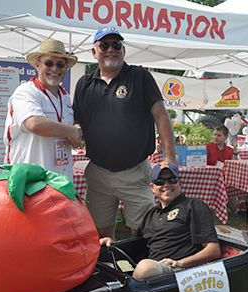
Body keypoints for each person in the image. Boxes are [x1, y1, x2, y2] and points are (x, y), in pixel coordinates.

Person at [73, 26, 176, 240]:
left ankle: (144, 273)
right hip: (98, 174)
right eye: (104, 45)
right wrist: (73, 130)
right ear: (94, 52)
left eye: (116, 44)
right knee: (99, 235)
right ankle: (110, 272)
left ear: (123, 49)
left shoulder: (139, 76)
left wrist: (170, 157)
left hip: (135, 172)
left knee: (145, 234)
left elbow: (161, 116)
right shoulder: (84, 83)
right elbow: (77, 122)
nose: (111, 49)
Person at [100, 162, 220, 280]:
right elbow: (134, 246)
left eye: (172, 180)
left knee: (145, 267)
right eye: (160, 182)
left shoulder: (193, 205)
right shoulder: (152, 214)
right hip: (152, 269)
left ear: (180, 183)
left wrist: (181, 263)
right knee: (98, 264)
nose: (166, 185)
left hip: (179, 270)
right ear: (152, 187)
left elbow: (213, 249)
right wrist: (112, 243)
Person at [3, 39, 82, 180]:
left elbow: (62, 129)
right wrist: (72, 131)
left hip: (60, 181)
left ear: (66, 68)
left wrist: (73, 136)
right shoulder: (26, 91)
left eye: (60, 64)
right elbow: (35, 124)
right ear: (38, 65)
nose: (55, 69)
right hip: (30, 184)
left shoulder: (65, 97)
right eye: (49, 63)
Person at [206, 125, 241, 213]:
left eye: (218, 135)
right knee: (222, 185)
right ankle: (236, 209)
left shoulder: (229, 150)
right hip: (209, 177)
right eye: (214, 134)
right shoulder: (207, 147)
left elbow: (234, 164)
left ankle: (240, 205)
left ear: (226, 137)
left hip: (224, 178)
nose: (215, 137)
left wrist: (235, 148)